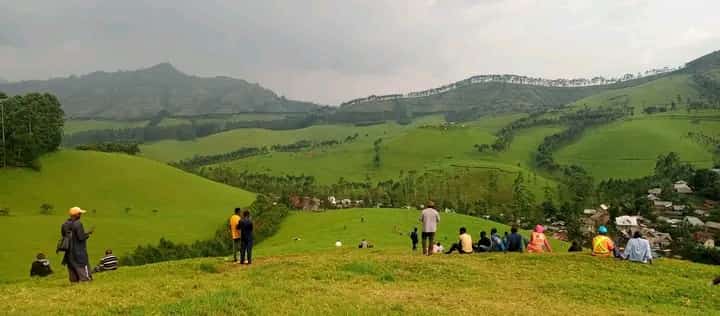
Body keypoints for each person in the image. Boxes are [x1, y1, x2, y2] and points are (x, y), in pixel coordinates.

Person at [61, 207, 93, 283]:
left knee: (72, 268)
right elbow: (81, 237)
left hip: (69, 251)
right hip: (79, 251)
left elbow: (64, 235)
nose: (81, 215)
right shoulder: (78, 223)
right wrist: (88, 234)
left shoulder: (65, 224)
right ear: (77, 215)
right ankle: (86, 281)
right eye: (80, 213)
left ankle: (74, 283)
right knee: (83, 265)